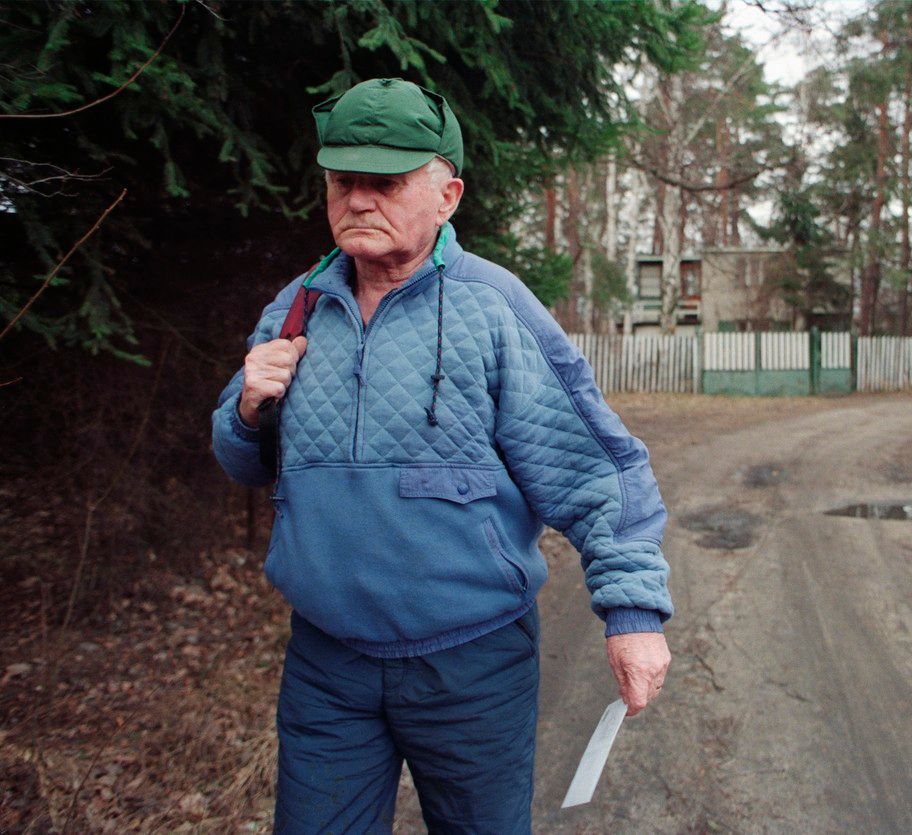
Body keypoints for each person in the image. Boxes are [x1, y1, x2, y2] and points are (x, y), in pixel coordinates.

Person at [211, 78, 673, 834]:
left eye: (385, 182)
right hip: (328, 664)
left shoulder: (494, 308)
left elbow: (596, 468)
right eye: (342, 181)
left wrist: (632, 612)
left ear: (447, 194)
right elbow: (242, 460)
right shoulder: (296, 306)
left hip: (472, 665)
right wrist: (246, 408)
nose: (358, 199)